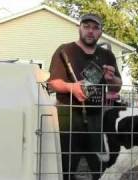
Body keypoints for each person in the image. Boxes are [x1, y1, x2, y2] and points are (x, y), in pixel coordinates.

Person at [48, 13, 122, 180]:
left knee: (102, 168)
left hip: (97, 118)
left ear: (101, 32)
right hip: (68, 117)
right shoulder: (64, 51)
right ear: (79, 28)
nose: (90, 31)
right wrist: (71, 87)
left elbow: (117, 86)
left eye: (95, 28)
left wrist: (112, 79)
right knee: (66, 168)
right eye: (86, 26)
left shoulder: (107, 55)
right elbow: (52, 83)